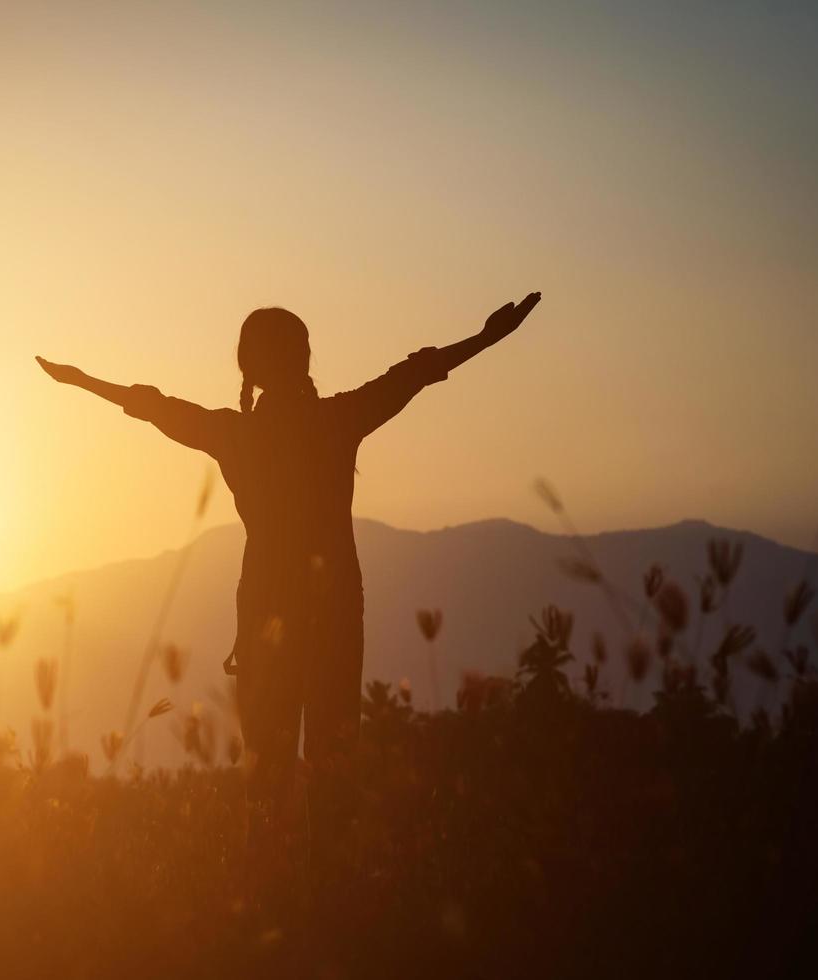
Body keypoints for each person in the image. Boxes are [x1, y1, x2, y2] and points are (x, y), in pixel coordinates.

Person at [35, 291, 541, 885]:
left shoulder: (234, 434)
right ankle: (330, 908)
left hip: (265, 619)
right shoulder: (338, 420)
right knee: (332, 765)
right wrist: (485, 339)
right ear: (304, 359)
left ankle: (266, 912)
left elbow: (154, 406)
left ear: (248, 369)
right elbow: (415, 374)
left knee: (266, 777)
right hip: (333, 614)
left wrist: (83, 381)